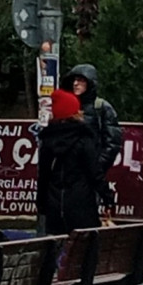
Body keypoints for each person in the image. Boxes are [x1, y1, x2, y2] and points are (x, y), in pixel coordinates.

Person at [37, 88, 103, 236]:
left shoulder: (48, 140)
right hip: (82, 206)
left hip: (55, 207)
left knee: (57, 246)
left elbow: (43, 176)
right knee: (85, 247)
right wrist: (107, 197)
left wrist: (41, 203)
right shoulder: (84, 138)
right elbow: (94, 172)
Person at [69, 63, 120, 218]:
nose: (75, 84)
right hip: (69, 175)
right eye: (74, 80)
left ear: (90, 83)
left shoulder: (101, 108)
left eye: (81, 80)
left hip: (90, 175)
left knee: (86, 216)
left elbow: (112, 142)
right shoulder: (68, 106)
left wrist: (97, 166)